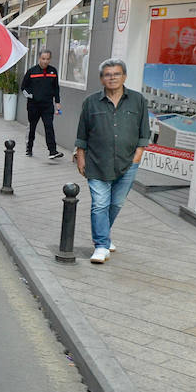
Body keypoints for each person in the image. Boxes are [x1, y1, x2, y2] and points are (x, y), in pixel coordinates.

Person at [75, 59, 150, 265]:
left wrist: (137, 156)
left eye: (116, 74)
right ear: (101, 79)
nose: (112, 78)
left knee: (116, 203)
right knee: (100, 204)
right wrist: (80, 156)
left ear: (124, 76)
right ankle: (101, 246)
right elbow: (82, 132)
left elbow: (144, 132)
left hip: (128, 162)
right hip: (97, 161)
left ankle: (104, 235)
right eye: (108, 74)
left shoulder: (138, 100)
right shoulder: (91, 102)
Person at [23, 49, 64, 159]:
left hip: (47, 106)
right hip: (33, 106)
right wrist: (32, 96)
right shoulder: (31, 72)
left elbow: (56, 88)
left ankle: (52, 151)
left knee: (49, 127)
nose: (45, 61)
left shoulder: (53, 71)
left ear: (50, 59)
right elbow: (23, 87)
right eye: (43, 59)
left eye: (47, 59)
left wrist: (58, 102)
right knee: (32, 127)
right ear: (39, 58)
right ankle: (29, 148)